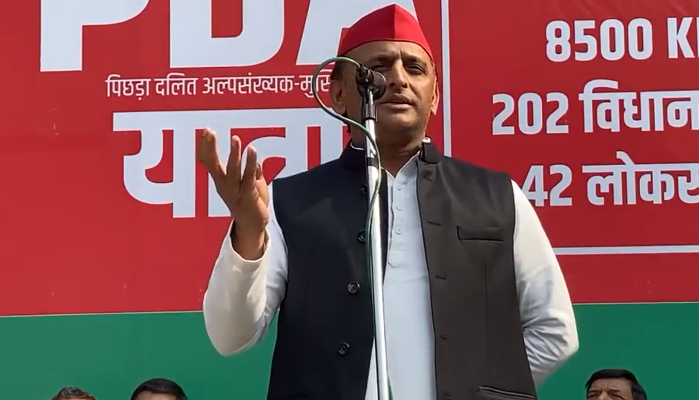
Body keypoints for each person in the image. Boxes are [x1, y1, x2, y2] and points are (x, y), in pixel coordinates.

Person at [199, 4, 578, 400]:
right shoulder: (290, 202)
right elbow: (230, 336)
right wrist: (249, 234)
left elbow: (554, 330)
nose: (398, 79)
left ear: (435, 95)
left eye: (415, 68)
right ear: (339, 93)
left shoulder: (496, 196)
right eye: (376, 69)